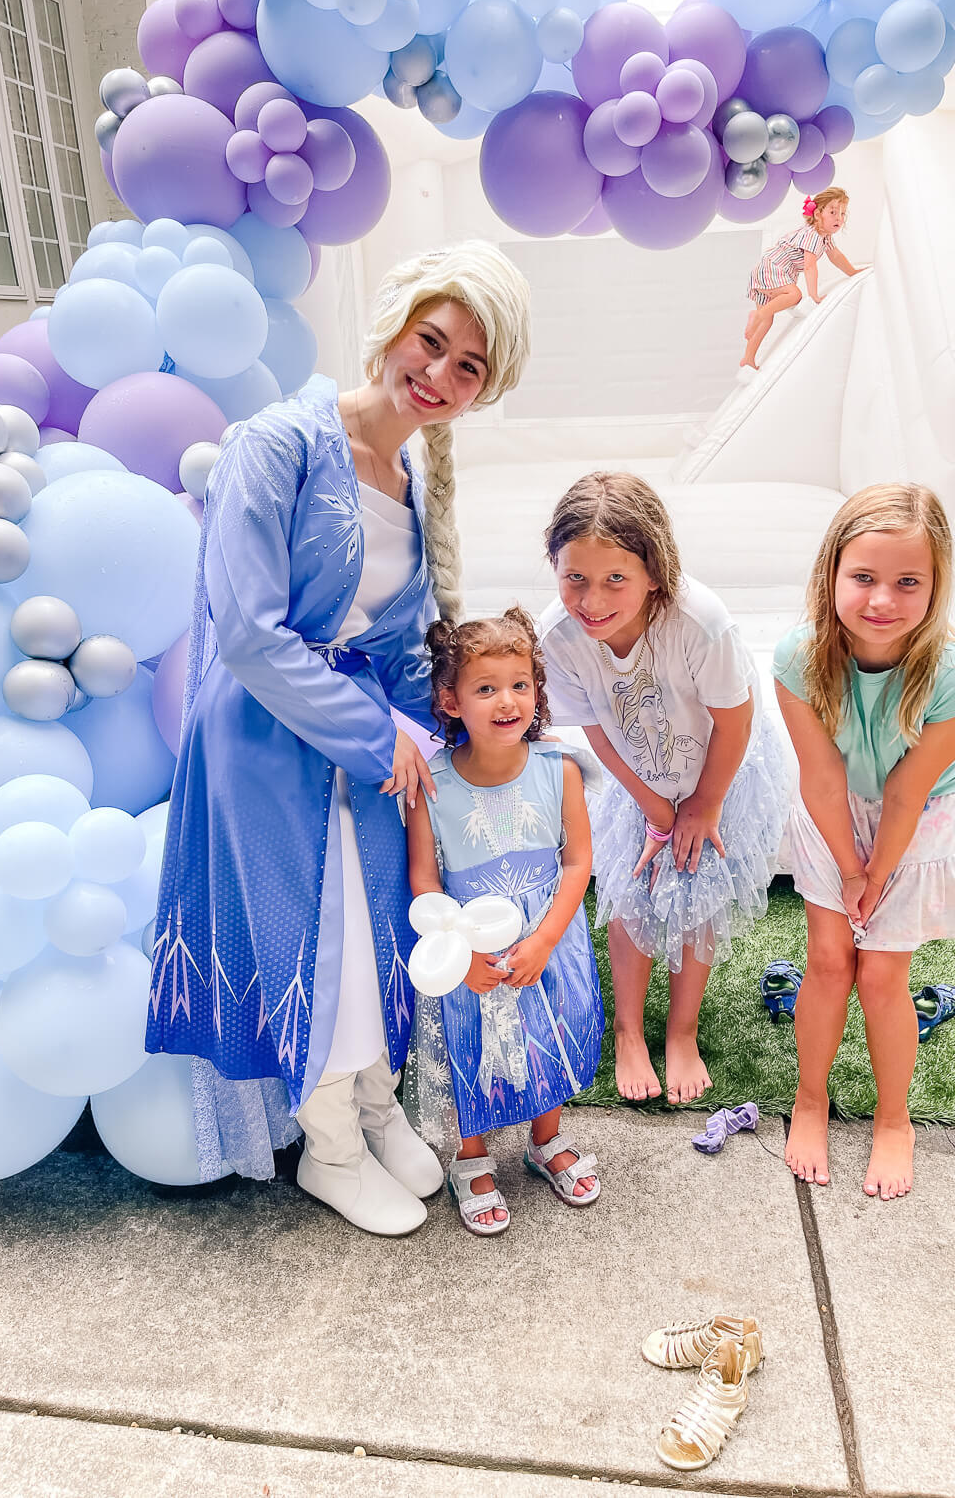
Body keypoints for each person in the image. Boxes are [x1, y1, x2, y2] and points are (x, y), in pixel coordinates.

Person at [145, 242, 531, 1236]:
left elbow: (403, 643)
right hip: (268, 737)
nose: (438, 374)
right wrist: (374, 734)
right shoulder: (276, 443)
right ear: (396, 323)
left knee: (373, 932)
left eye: (468, 367)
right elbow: (246, 629)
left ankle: (372, 1103)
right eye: (431, 342)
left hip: (360, 742)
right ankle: (330, 1149)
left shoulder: (405, 474)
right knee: (312, 940)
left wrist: (444, 736)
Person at [539, 474, 788, 1106]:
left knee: (697, 889)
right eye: (576, 579)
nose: (593, 600)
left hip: (717, 769)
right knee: (629, 891)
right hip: (635, 770)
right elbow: (593, 727)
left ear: (654, 571)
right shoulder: (559, 638)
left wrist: (701, 807)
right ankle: (629, 1031)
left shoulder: (699, 622)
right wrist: (652, 808)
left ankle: (682, 1032)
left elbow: (737, 720)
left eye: (615, 579)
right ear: (555, 568)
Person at [774, 483, 955, 1200]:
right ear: (831, 572)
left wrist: (876, 872)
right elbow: (822, 778)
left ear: (935, 585)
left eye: (907, 582)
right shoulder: (798, 658)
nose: (881, 600)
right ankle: (810, 1100)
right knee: (830, 959)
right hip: (834, 813)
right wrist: (845, 866)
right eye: (862, 577)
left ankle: (893, 1119)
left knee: (880, 974)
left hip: (915, 816)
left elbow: (904, 791)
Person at [406, 609, 604, 1237]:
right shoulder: (430, 784)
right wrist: (460, 955)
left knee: (547, 1032)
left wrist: (546, 939)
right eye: (485, 688)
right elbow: (424, 878)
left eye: (520, 684)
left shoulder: (559, 768)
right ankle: (472, 1155)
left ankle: (545, 1140)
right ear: (450, 700)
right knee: (471, 1042)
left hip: (548, 937)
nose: (506, 700)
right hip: (469, 946)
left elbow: (578, 862)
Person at [741, 188, 862, 371]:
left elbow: (835, 256)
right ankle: (757, 316)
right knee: (794, 294)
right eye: (833, 212)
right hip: (773, 268)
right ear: (818, 214)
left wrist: (852, 272)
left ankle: (748, 358)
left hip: (766, 269)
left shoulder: (824, 237)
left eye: (842, 213)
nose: (839, 217)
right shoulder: (813, 235)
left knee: (768, 320)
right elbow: (809, 266)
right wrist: (813, 295)